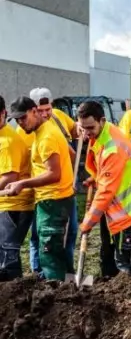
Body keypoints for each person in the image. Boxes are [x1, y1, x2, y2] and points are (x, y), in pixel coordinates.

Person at [5, 96, 75, 282]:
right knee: (58, 253)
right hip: (56, 200)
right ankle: (75, 291)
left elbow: (54, 174)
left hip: (53, 202)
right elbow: (70, 155)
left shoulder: (46, 137)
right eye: (17, 119)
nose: (21, 123)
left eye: (23, 117)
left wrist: (22, 183)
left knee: (50, 256)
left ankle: (60, 302)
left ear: (34, 111)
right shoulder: (44, 131)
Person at [76, 101, 131, 270]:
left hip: (126, 212)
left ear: (102, 120)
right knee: (109, 253)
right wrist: (96, 177)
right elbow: (107, 171)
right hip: (115, 209)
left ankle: (130, 294)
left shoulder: (113, 147)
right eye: (83, 128)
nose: (86, 133)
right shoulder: (103, 132)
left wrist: (87, 222)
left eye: (90, 128)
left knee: (124, 261)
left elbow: (106, 191)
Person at [25, 87, 78, 279]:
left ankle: (66, 275)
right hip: (43, 195)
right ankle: (40, 276)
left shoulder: (57, 118)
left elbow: (72, 148)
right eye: (41, 110)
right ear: (32, 110)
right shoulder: (26, 130)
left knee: (68, 234)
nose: (46, 113)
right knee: (41, 238)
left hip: (64, 192)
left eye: (49, 108)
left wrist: (67, 176)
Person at [0, 95, 35, 281]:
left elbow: (9, 177)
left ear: (3, 114)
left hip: (14, 205)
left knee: (7, 253)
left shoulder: (7, 142)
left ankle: (13, 295)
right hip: (6, 204)